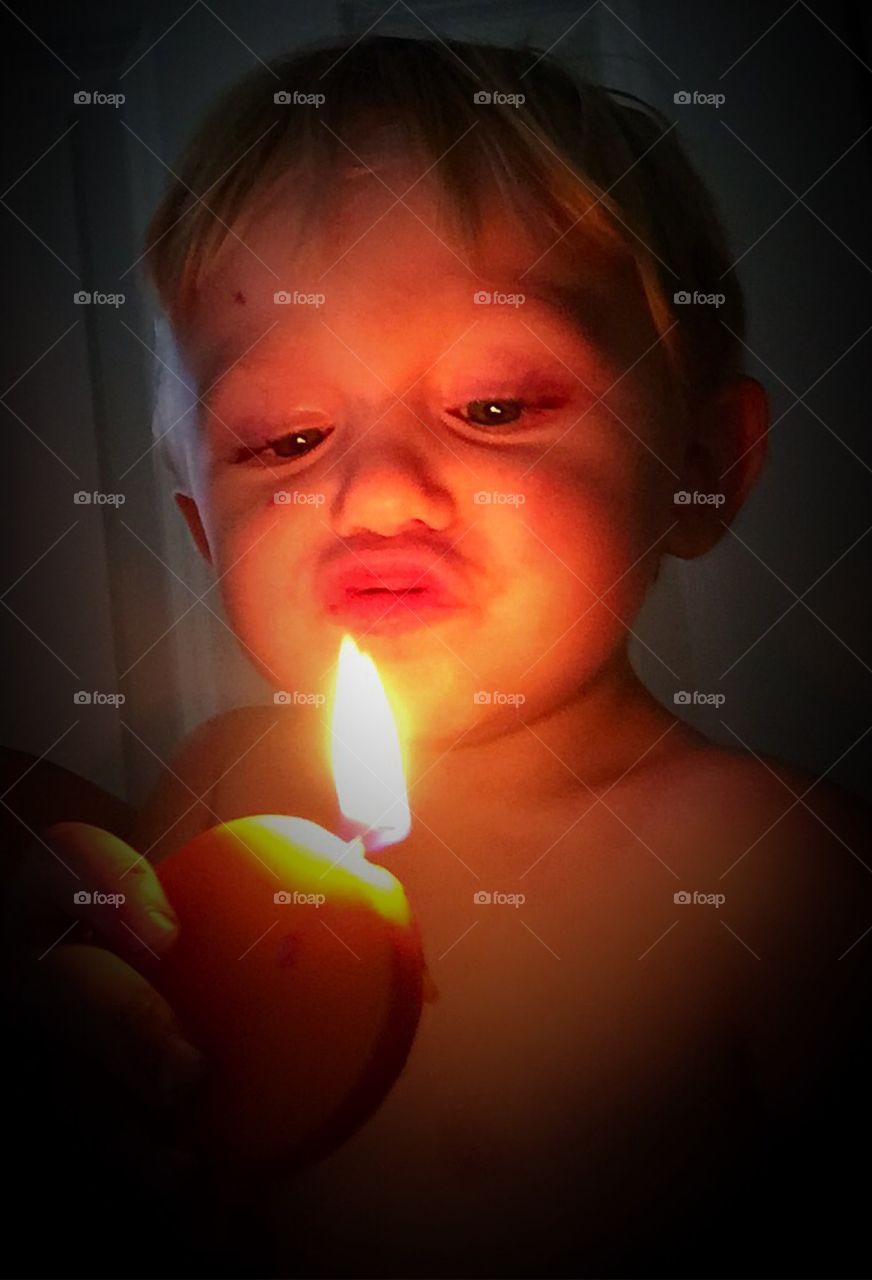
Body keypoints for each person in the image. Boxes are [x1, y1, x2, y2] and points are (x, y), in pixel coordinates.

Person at [4, 34, 871, 1279]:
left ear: (699, 466)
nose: (376, 489)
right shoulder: (214, 787)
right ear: (202, 527)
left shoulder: (779, 884)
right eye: (287, 437)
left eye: (495, 408)